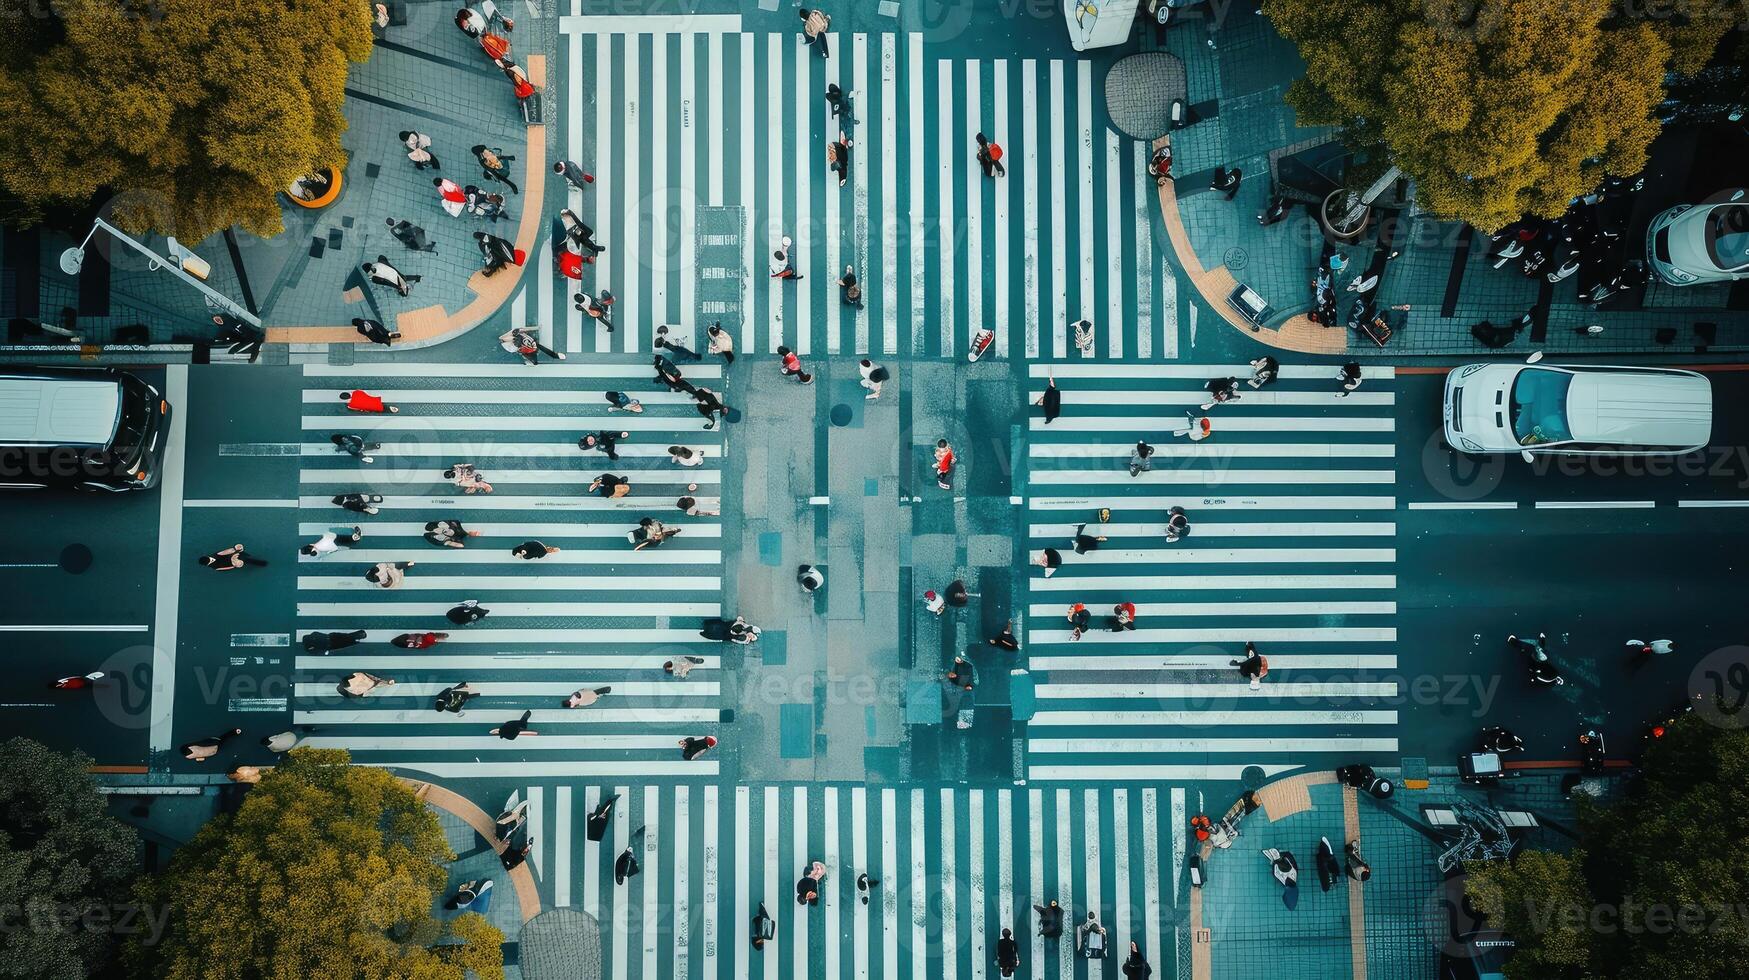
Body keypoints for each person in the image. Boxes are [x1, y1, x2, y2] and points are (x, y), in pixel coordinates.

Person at [199, 543, 267, 570]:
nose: (212, 559)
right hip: (232, 562)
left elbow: (223, 552)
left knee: (246, 556)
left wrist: (235, 550)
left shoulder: (213, 555)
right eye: (211, 561)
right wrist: (234, 562)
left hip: (232, 556)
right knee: (248, 560)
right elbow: (228, 568)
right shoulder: (215, 567)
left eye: (211, 558)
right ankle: (263, 564)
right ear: (208, 564)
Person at [301, 629, 366, 653]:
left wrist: (322, 648)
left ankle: (356, 641)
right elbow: (319, 634)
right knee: (347, 636)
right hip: (331, 637)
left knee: (344, 643)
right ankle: (359, 635)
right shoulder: (314, 634)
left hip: (330, 644)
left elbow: (314, 651)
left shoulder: (309, 647)